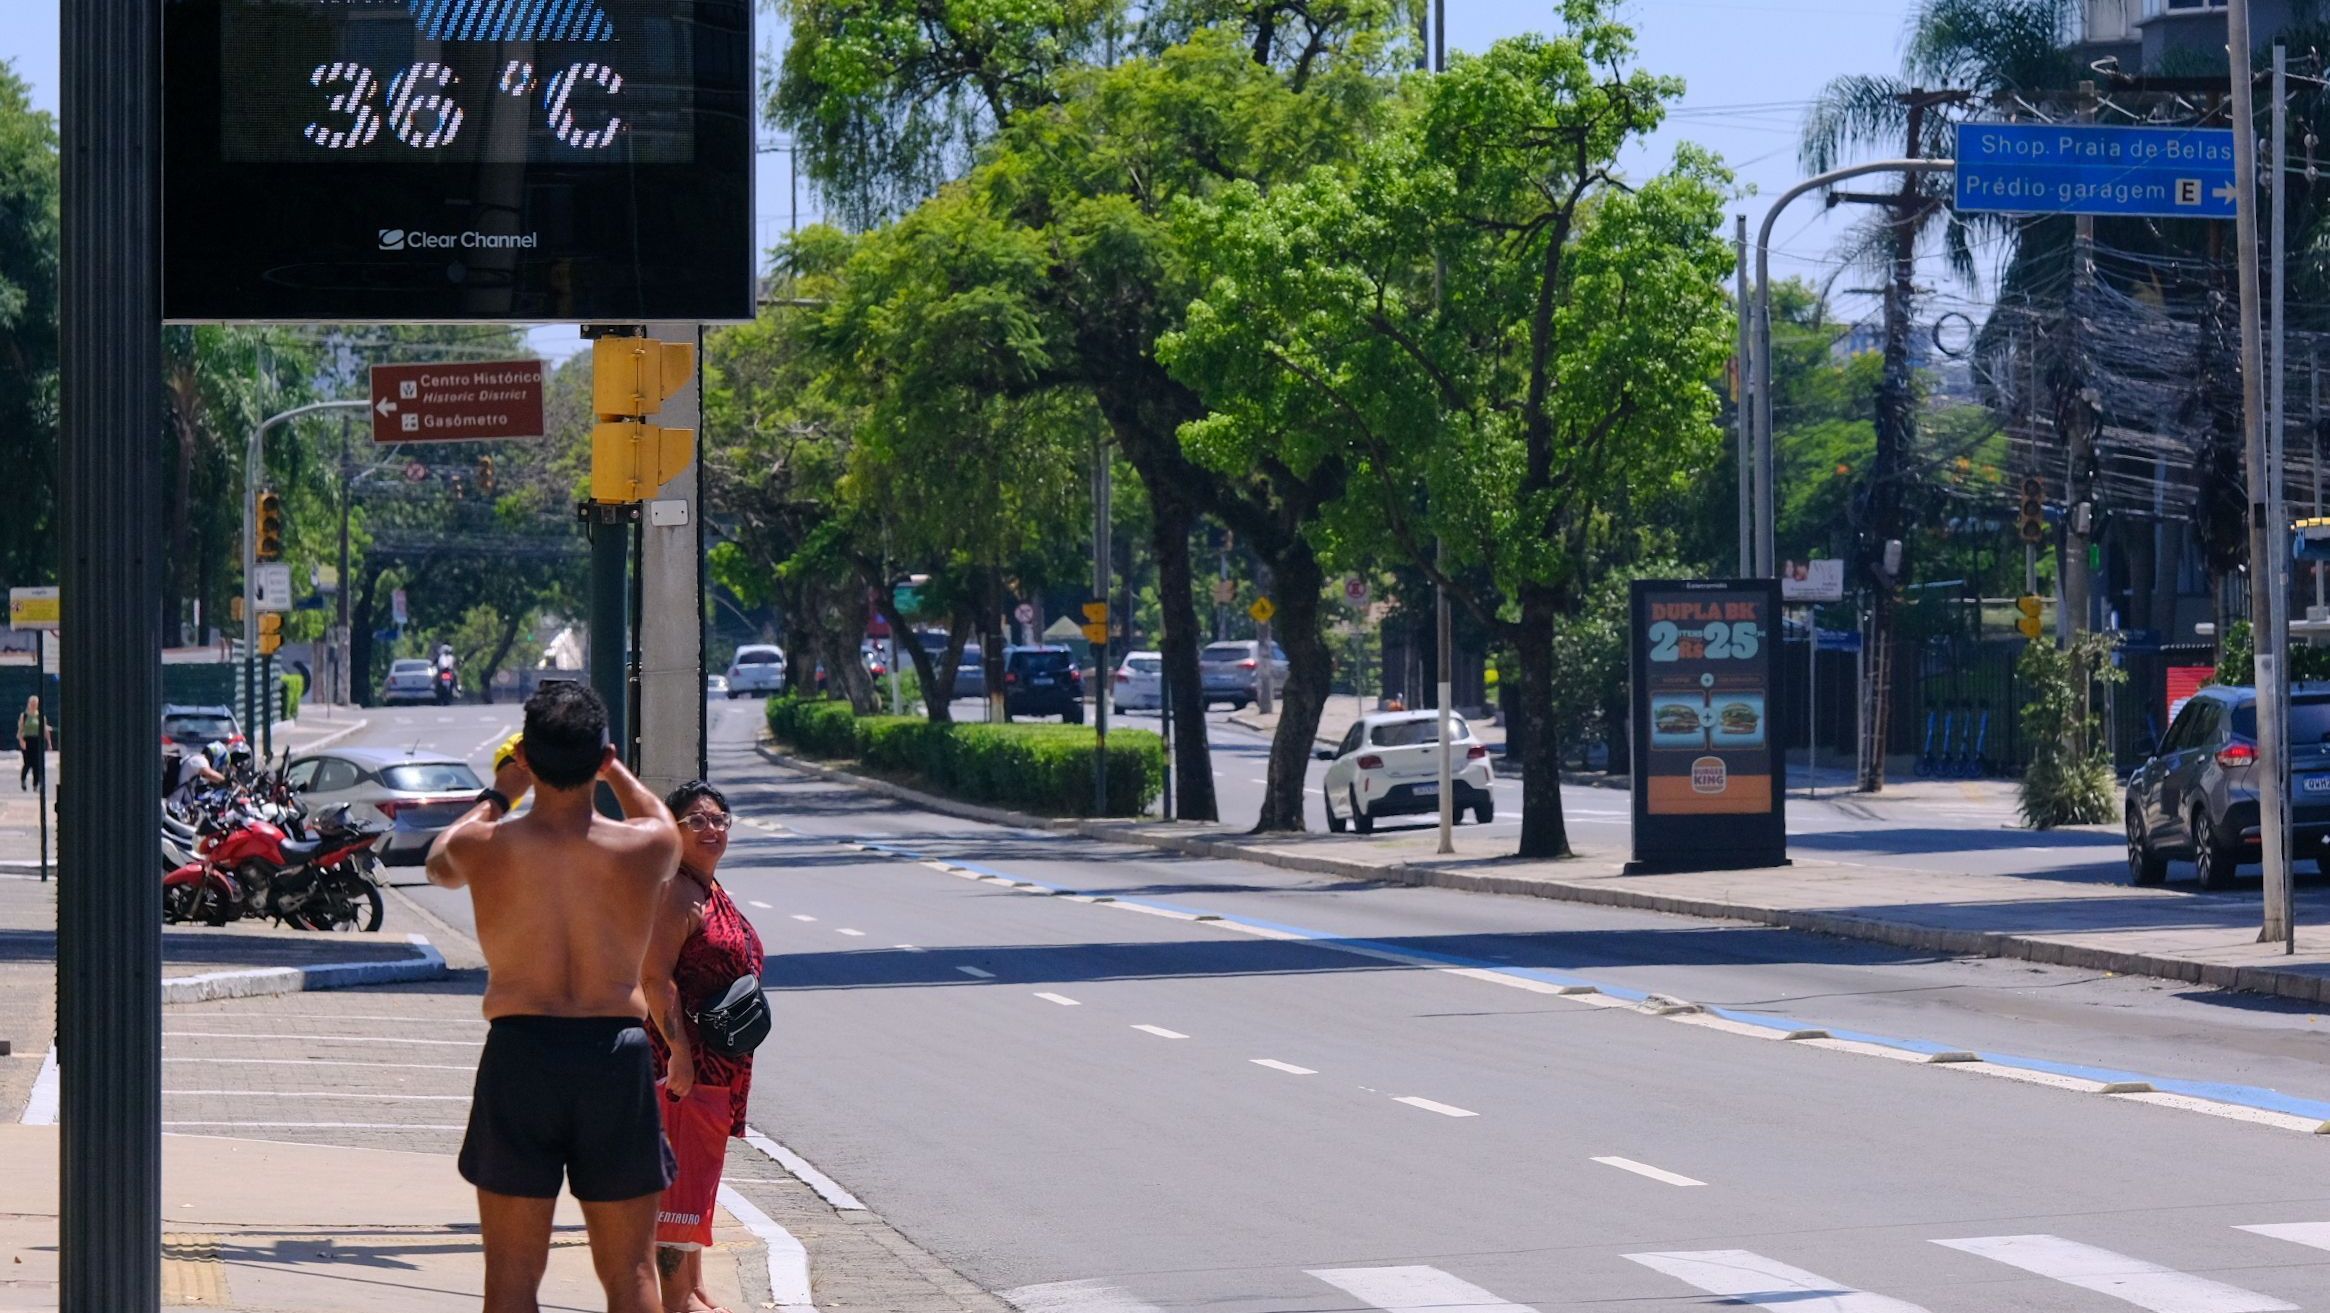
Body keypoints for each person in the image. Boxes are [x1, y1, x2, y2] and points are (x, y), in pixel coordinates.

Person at [424, 683, 683, 1313]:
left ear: (529, 760)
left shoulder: (483, 848)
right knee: (632, 1271)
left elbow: (436, 861)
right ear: (599, 757)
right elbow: (663, 821)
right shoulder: (645, 848)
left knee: (511, 1278)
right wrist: (614, 767)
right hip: (613, 1056)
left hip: (522, 1053)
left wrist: (499, 793)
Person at [641, 780, 764, 1313]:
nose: (712, 829)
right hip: (683, 1063)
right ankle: (677, 1300)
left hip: (717, 1064)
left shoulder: (708, 887)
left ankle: (691, 1285)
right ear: (674, 830)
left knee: (698, 1173)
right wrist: (680, 1055)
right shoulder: (675, 891)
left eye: (719, 819)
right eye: (697, 820)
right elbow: (654, 977)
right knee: (679, 1185)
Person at [17, 695, 49, 791]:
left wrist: (49, 742)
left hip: (37, 741)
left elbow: (45, 729)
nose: (34, 705)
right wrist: (21, 740)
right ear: (29, 704)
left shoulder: (40, 716)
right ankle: (23, 780)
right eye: (32, 704)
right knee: (27, 763)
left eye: (35, 704)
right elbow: (20, 730)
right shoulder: (24, 716)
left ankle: (36, 784)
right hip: (27, 740)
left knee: (36, 763)